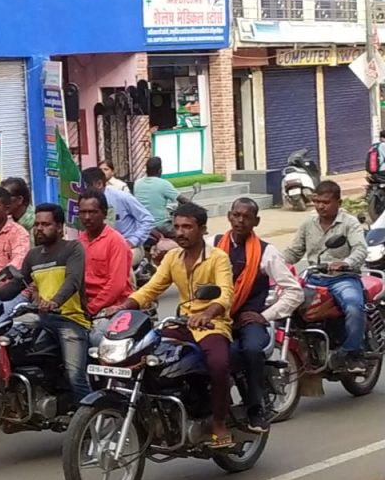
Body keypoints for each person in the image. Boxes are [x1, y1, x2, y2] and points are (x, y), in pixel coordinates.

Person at [103, 203, 236, 448]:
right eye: (177, 227)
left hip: (212, 326)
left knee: (218, 365)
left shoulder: (218, 258)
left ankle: (219, 422)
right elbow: (151, 288)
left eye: (187, 227)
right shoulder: (173, 258)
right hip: (180, 324)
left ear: (202, 229)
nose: (180, 232)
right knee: (142, 354)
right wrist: (123, 306)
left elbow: (225, 295)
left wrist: (207, 313)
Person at [215, 199, 303, 432]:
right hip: (215, 315)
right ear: (229, 216)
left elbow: (294, 291)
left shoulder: (266, 252)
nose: (240, 221)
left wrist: (265, 316)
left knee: (252, 350)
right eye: (236, 215)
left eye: (246, 217)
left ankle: (255, 408)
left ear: (256, 221)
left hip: (248, 318)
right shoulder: (212, 245)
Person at [0, 204, 92, 402]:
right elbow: (17, 284)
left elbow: (73, 281)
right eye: (37, 224)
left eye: (46, 224)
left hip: (70, 320)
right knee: (6, 342)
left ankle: (90, 415)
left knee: (75, 376)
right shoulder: (33, 255)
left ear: (59, 227)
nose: (39, 228)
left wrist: (55, 302)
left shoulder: (73, 249)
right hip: (41, 319)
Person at [283, 180, 368, 370]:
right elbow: (294, 251)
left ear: (339, 202)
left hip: (343, 279)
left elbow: (360, 249)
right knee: (286, 304)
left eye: (326, 202)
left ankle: (352, 353)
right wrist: (272, 262)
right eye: (317, 201)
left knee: (354, 306)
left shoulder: (349, 223)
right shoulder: (308, 224)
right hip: (313, 278)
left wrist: (345, 263)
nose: (321, 206)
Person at [78, 189, 133, 319]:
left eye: (92, 212)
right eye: (83, 212)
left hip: (112, 308)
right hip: (84, 307)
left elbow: (116, 285)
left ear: (104, 213)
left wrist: (91, 308)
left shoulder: (115, 241)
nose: (87, 217)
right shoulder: (79, 241)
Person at [81, 166, 154, 263]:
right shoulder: (84, 204)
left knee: (119, 262)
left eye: (86, 186)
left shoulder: (122, 197)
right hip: (99, 248)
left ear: (99, 184)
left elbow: (147, 219)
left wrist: (133, 241)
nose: (83, 190)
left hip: (129, 247)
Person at [133, 157, 189, 224]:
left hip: (142, 223)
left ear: (146, 170)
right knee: (180, 229)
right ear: (160, 170)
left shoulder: (137, 183)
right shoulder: (163, 184)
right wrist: (196, 208)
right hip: (160, 224)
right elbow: (183, 200)